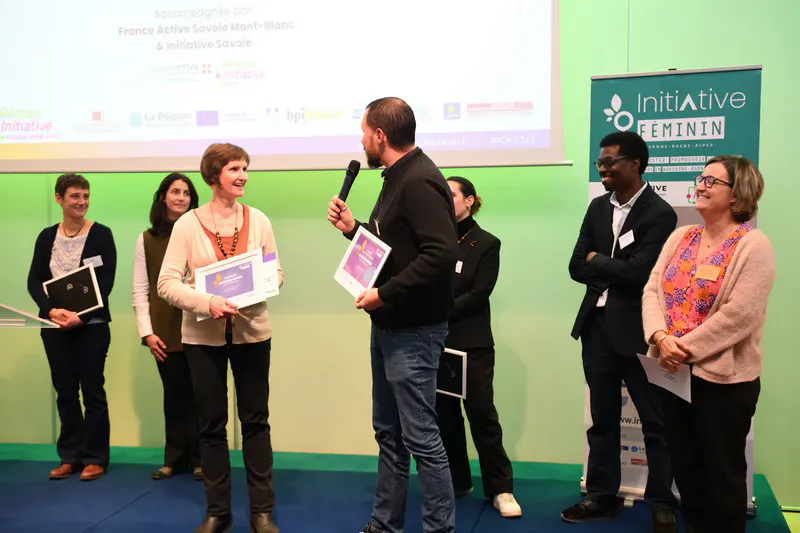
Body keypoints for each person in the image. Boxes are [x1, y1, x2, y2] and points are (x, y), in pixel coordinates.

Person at [327, 97, 458, 533]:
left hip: (414, 330)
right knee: (389, 434)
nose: (361, 139)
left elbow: (440, 254)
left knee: (421, 438)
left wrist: (384, 293)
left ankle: (439, 529)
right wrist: (353, 229)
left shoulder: (419, 180)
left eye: (364, 131)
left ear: (380, 135)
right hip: (389, 327)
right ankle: (385, 526)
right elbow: (394, 249)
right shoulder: (396, 177)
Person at [642, 156, 774, 533]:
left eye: (711, 181)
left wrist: (683, 347)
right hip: (674, 376)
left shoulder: (753, 246)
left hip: (724, 382)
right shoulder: (680, 237)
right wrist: (660, 337)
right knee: (686, 470)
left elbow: (740, 314)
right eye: (700, 178)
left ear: (737, 195)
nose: (700, 185)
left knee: (722, 475)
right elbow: (652, 289)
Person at [158, 144, 283, 533]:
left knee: (256, 423)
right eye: (234, 168)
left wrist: (258, 285)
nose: (243, 175)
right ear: (214, 176)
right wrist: (207, 301)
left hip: (252, 334)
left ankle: (261, 511)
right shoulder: (187, 225)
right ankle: (218, 512)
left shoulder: (259, 220)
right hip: (202, 338)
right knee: (210, 426)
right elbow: (166, 284)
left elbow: (276, 273)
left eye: (245, 168)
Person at [565, 131, 679, 532]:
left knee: (656, 423)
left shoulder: (659, 213)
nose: (602, 168)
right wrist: (603, 261)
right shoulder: (597, 207)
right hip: (596, 329)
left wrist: (599, 259)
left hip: (639, 332)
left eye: (610, 161)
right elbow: (575, 265)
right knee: (602, 419)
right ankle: (600, 496)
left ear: (635, 164)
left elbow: (640, 274)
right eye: (600, 162)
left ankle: (662, 501)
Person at [435, 176, 521, 518]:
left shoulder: (486, 243)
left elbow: (478, 292)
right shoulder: (433, 238)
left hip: (471, 342)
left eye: (451, 193)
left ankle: (501, 489)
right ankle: (457, 481)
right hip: (434, 341)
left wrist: (435, 309)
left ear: (469, 200)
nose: (445, 198)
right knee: (444, 417)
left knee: (482, 416)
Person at [27, 173, 117, 481]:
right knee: (65, 392)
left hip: (91, 326)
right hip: (53, 327)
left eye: (85, 196)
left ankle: (95, 458)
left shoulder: (102, 234)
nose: (81, 202)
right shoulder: (45, 236)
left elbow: (106, 284)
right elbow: (34, 280)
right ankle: (70, 456)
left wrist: (81, 315)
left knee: (92, 391)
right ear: (59, 199)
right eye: (75, 196)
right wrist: (51, 310)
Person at [132, 173, 203, 481]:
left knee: (201, 396)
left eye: (186, 193)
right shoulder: (146, 239)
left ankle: (201, 460)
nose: (181, 198)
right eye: (175, 191)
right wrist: (147, 332)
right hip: (164, 331)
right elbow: (140, 289)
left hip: (201, 326)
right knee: (174, 395)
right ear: (162, 197)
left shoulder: (202, 232)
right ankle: (173, 458)